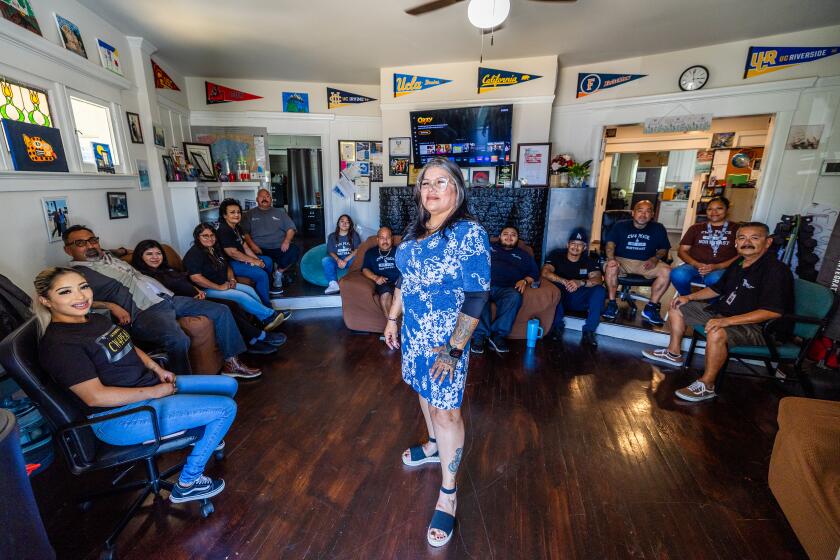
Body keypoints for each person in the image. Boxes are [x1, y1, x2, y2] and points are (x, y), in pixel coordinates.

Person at [34, 267, 233, 504]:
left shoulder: (92, 319)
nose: (80, 297)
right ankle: (188, 483)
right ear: (46, 300)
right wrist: (155, 391)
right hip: (121, 418)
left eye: (83, 287)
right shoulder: (60, 346)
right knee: (225, 408)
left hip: (146, 389)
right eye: (66, 292)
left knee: (228, 385)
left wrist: (156, 368)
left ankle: (207, 433)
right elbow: (95, 397)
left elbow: (126, 344)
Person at [384, 158, 490, 548]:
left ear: (457, 189)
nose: (430, 188)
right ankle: (431, 446)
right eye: (425, 182)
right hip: (413, 333)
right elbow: (404, 280)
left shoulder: (468, 232)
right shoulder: (416, 231)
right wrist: (393, 319)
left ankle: (449, 492)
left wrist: (453, 349)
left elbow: (478, 295)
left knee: (447, 410)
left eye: (440, 182)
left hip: (446, 341)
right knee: (423, 392)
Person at [63, 225, 261, 379]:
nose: (89, 246)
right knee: (178, 340)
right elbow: (72, 302)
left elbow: (122, 251)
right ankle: (183, 386)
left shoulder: (107, 255)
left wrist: (122, 249)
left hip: (166, 297)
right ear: (67, 250)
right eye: (80, 243)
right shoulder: (75, 274)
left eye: (92, 240)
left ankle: (231, 363)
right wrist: (110, 305)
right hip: (144, 311)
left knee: (221, 309)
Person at [642, 222, 793, 402]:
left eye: (755, 238)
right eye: (742, 238)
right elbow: (717, 289)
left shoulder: (776, 271)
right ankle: (674, 353)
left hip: (758, 328)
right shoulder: (739, 263)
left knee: (716, 331)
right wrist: (689, 298)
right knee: (677, 305)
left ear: (767, 242)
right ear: (736, 242)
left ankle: (707, 385)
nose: (747, 242)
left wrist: (726, 322)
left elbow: (772, 312)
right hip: (724, 315)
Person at [131, 239, 287, 355]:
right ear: (140, 256)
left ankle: (252, 340)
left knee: (231, 305)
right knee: (227, 306)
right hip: (187, 303)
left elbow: (187, 280)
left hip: (198, 295)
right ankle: (259, 336)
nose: (155, 257)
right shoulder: (145, 276)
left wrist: (196, 289)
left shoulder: (167, 269)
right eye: (149, 254)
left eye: (158, 253)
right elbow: (165, 295)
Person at [182, 224, 291, 327]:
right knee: (241, 296)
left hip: (224, 283)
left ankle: (263, 319)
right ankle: (270, 316)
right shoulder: (194, 254)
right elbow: (196, 278)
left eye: (212, 235)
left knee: (249, 290)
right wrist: (219, 287)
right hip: (206, 289)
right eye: (205, 236)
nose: (209, 238)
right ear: (197, 237)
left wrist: (232, 279)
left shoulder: (214, 248)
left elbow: (227, 266)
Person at [471, 225, 538, 354]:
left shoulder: (524, 255)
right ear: (500, 237)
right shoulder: (487, 247)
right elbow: (473, 262)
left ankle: (498, 336)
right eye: (505, 234)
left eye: (513, 235)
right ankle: (480, 336)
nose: (509, 237)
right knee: (479, 296)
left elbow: (534, 273)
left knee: (515, 296)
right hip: (485, 286)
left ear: (517, 239)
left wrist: (525, 281)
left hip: (508, 288)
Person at [603, 200, 671, 325]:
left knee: (667, 271)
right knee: (611, 267)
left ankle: (651, 307)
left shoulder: (658, 228)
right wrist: (611, 259)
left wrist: (655, 259)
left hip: (646, 263)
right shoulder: (620, 225)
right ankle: (612, 303)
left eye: (647, 211)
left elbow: (663, 248)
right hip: (622, 261)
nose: (643, 215)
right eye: (640, 211)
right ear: (633, 213)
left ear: (652, 215)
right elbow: (610, 244)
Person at [542, 228, 606, 347]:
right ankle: (556, 327)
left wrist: (580, 282)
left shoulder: (589, 260)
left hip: (579, 299)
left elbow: (598, 279)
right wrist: (564, 281)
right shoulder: (557, 255)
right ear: (568, 244)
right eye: (573, 243)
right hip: (560, 298)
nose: (576, 247)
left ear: (585, 248)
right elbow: (545, 272)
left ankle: (589, 331)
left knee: (599, 290)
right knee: (554, 287)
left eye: (580, 245)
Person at [216, 198, 282, 306]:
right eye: (232, 212)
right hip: (230, 263)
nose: (236, 215)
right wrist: (254, 261)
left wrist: (257, 259)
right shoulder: (224, 230)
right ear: (224, 215)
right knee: (261, 275)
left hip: (240, 259)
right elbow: (233, 253)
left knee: (267, 261)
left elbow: (245, 247)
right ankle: (266, 305)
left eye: (238, 212)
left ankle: (266, 289)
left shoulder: (237, 227)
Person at [670, 197, 739, 295]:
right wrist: (696, 264)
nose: (714, 212)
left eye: (719, 208)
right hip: (694, 266)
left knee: (715, 279)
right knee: (677, 274)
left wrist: (718, 266)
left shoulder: (737, 229)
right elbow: (682, 251)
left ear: (727, 210)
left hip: (721, 269)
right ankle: (686, 298)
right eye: (710, 209)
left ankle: (710, 306)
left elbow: (741, 255)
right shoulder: (696, 228)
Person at [242, 189, 301, 288]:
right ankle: (267, 277)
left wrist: (287, 241)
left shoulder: (280, 213)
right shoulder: (249, 214)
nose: (265, 198)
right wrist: (253, 245)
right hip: (259, 248)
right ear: (257, 199)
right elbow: (245, 233)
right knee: (260, 268)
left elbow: (291, 229)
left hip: (279, 247)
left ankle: (278, 273)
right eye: (262, 196)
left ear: (271, 199)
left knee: (294, 250)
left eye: (267, 196)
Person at [360, 226, 401, 320]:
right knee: (385, 296)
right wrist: (375, 278)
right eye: (382, 238)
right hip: (383, 283)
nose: (385, 241)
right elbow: (365, 269)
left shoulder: (399, 251)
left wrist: (400, 280)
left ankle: (391, 330)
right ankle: (391, 328)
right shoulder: (371, 253)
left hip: (399, 283)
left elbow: (407, 268)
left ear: (392, 239)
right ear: (377, 239)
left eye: (388, 238)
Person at [323, 214, 362, 295]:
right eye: (342, 221)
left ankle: (354, 283)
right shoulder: (332, 236)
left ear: (350, 225)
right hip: (337, 259)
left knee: (359, 259)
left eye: (347, 222)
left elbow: (357, 250)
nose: (344, 224)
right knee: (325, 260)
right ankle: (333, 284)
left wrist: (345, 260)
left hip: (349, 259)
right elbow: (331, 251)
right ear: (338, 223)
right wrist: (338, 260)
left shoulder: (354, 235)